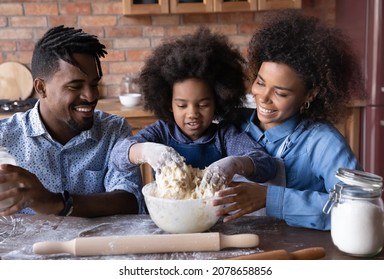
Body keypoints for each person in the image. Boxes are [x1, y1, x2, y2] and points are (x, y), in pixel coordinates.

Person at [213, 10, 365, 230]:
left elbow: (358, 208)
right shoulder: (233, 124)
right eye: (260, 82)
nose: (263, 98)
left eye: (281, 93)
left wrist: (272, 198)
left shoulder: (322, 142)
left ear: (309, 94)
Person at [0, 26, 144, 217]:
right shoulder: (5, 138)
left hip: (96, 246)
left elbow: (130, 201)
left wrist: (59, 203)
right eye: (75, 86)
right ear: (41, 88)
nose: (91, 96)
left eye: (94, 84)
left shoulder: (113, 130)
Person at [111, 27, 276, 189]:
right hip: (168, 212)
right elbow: (117, 156)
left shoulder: (225, 135)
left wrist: (236, 163)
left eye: (203, 104)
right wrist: (144, 151)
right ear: (169, 104)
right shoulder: (161, 131)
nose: (192, 114)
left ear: (218, 101)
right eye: (182, 105)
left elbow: (267, 166)